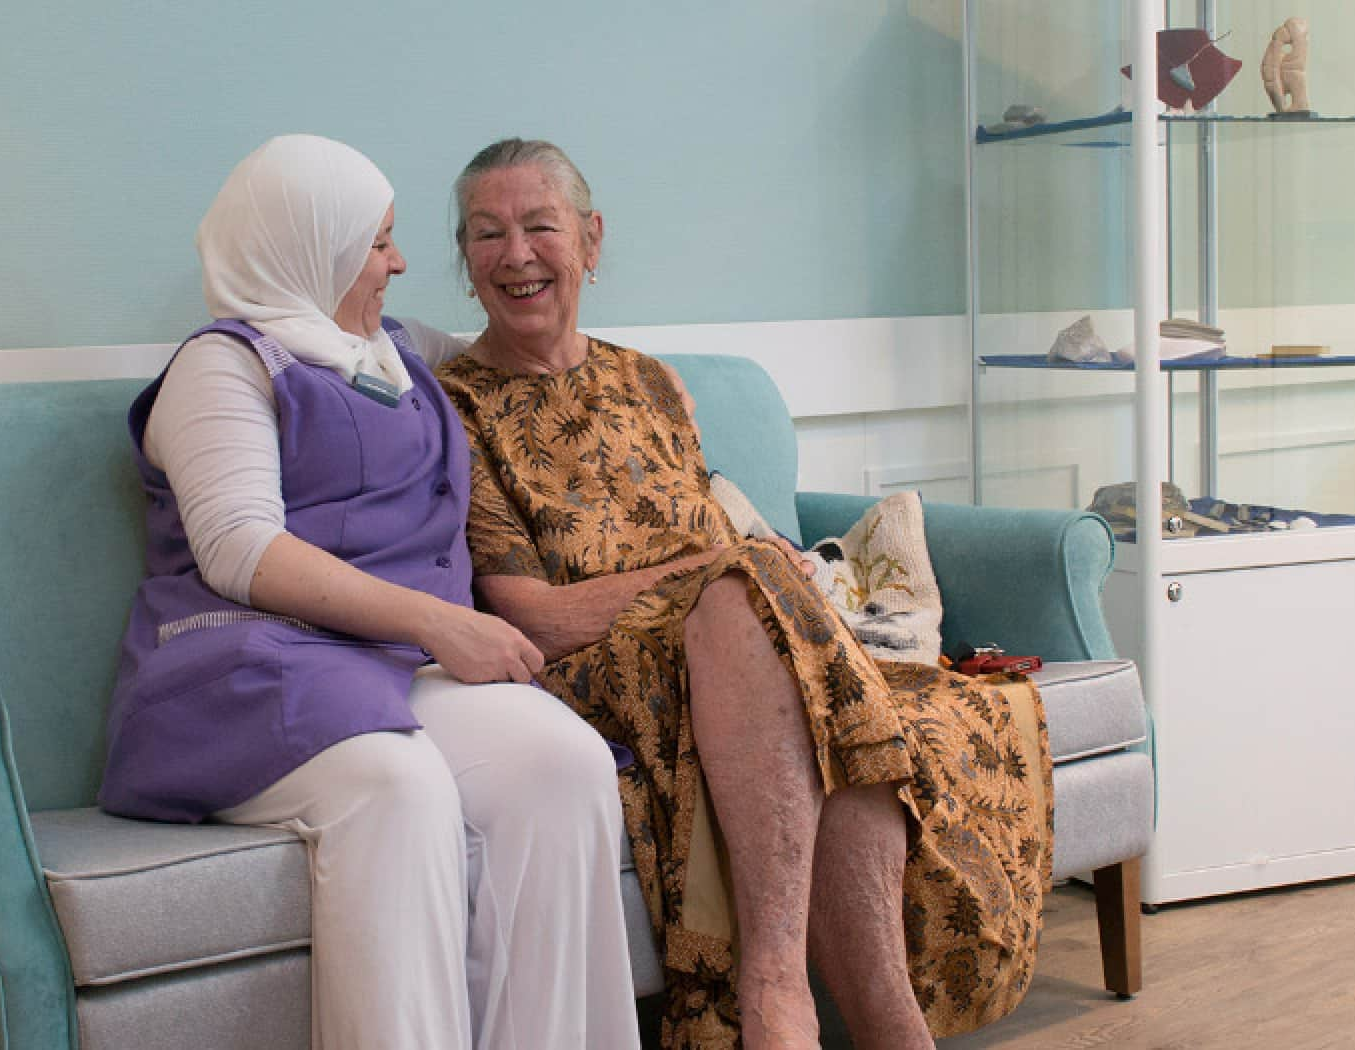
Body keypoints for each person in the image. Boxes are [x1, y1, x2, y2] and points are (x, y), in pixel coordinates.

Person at [433, 138, 1052, 1050]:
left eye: (540, 226)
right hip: (605, 670)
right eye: (487, 234)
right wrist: (727, 576)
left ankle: (885, 1029)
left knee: (835, 679)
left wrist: (768, 570)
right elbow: (531, 614)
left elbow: (727, 548)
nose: (515, 254)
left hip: (750, 649)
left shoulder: (652, 382)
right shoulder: (453, 407)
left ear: (592, 242)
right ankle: (775, 991)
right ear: (465, 260)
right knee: (748, 604)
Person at [97, 134, 639, 1050]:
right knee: (401, 787)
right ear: (310, 248)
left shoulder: (396, 351)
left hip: (387, 670)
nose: (396, 262)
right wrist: (442, 622)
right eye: (376, 242)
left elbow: (526, 347)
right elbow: (239, 549)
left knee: (564, 762)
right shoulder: (222, 368)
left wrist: (640, 388)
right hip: (244, 667)